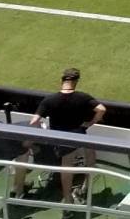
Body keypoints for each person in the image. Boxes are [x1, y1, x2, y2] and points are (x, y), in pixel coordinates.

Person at [29, 68, 105, 203]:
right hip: (79, 134)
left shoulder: (49, 100)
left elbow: (34, 122)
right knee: (91, 153)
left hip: (60, 139)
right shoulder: (83, 97)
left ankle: (68, 198)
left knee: (67, 166)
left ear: (62, 80)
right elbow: (101, 109)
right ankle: (86, 187)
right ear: (76, 81)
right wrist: (90, 123)